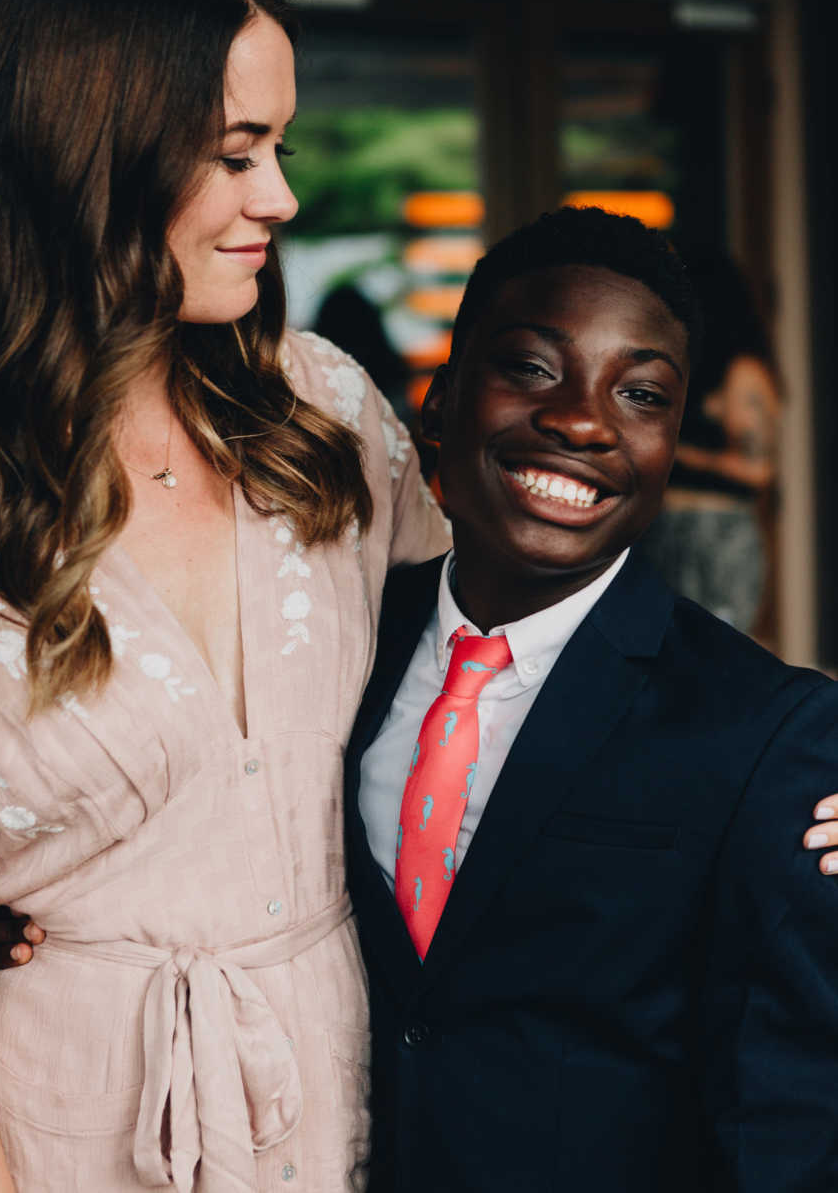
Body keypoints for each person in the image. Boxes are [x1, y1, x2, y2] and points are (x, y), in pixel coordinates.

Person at [0, 0, 449, 1192]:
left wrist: (786, 771)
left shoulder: (323, 410)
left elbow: (518, 673)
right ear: (87, 160)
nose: (280, 197)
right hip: (62, 1125)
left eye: (278, 147)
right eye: (234, 155)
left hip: (344, 1098)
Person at [341, 206, 838, 1191]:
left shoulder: (763, 732)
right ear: (435, 408)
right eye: (532, 367)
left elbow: (789, 1113)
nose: (582, 419)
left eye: (642, 393)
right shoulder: (335, 650)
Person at [641, 248, 780, 634]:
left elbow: (759, 470)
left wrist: (679, 455)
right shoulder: (681, 365)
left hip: (717, 536)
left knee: (714, 663)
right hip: (664, 528)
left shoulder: (744, 371)